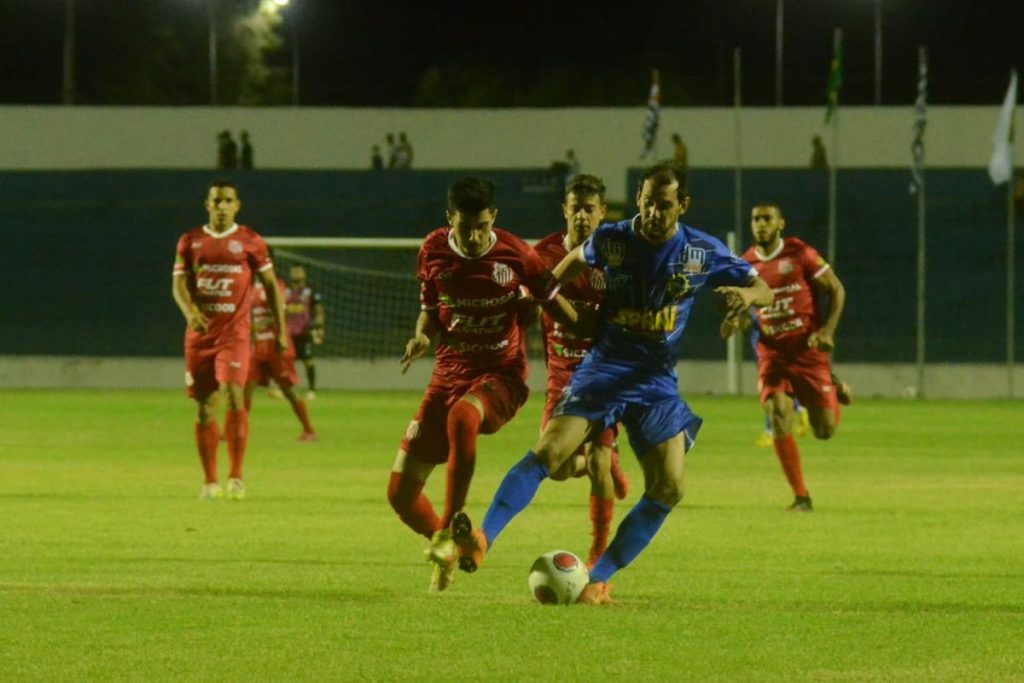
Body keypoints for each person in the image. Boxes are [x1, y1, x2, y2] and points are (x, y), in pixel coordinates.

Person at [441, 161, 773, 605]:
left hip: (656, 384)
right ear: (638, 198)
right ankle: (482, 538)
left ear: (683, 205)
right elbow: (568, 266)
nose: (654, 212)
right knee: (550, 452)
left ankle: (596, 580)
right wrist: (543, 300)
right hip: (604, 370)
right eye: (648, 202)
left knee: (670, 486)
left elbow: (764, 288)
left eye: (665, 205)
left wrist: (747, 297)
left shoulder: (702, 250)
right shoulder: (613, 238)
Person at [390, 176, 578, 593]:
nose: (474, 237)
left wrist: (592, 333)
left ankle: (447, 532)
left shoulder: (518, 254)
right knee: (400, 494)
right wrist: (421, 336)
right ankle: (452, 546)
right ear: (449, 219)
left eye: (481, 226)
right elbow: (431, 310)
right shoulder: (432, 250)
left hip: (500, 375)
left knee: (463, 417)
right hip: (447, 374)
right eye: (465, 227)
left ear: (493, 217)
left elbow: (554, 303)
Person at [722, 202, 851, 511]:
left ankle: (832, 388)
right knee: (778, 414)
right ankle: (801, 496)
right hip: (772, 353)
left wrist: (827, 331)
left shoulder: (800, 253)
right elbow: (744, 313)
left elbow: (836, 289)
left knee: (824, 430)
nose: (761, 224)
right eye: (756, 219)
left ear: (780, 223)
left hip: (807, 350)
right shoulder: (745, 265)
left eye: (767, 218)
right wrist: (736, 321)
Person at [531, 173, 630, 568]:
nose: (582, 216)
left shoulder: (618, 259)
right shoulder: (542, 255)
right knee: (553, 467)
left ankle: (598, 552)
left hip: (603, 375)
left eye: (590, 209)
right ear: (565, 210)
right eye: (576, 208)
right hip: (561, 376)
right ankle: (601, 459)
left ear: (602, 213)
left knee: (598, 463)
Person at [172, 180, 287, 500]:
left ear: (237, 206)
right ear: (207, 205)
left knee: (235, 396)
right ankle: (210, 481)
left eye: (227, 201)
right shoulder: (190, 241)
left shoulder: (250, 241)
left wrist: (281, 330)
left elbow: (271, 286)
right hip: (199, 337)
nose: (221, 206)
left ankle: (236, 476)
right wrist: (190, 313)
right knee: (204, 408)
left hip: (234, 335)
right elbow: (178, 285)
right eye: (216, 201)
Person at [245, 274, 317, 442]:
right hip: (258, 348)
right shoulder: (251, 288)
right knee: (244, 389)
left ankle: (309, 430)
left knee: (288, 390)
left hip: (276, 348)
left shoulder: (275, 285)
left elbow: (280, 311)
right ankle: (234, 431)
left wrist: (260, 325)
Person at [285, 265, 326, 400]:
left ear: (304, 273)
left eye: (299, 271)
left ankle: (311, 390)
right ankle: (287, 389)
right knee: (285, 362)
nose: (296, 273)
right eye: (294, 270)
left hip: (304, 331)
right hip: (287, 333)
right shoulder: (285, 290)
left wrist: (319, 327)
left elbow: (319, 311)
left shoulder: (310, 290)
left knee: (308, 361)